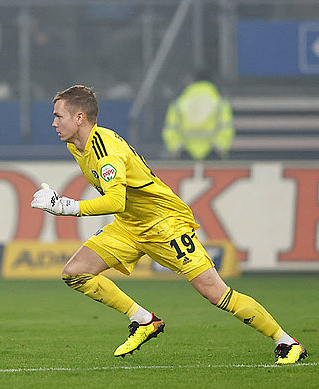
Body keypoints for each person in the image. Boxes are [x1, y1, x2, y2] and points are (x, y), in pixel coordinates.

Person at [30, 85, 305, 364]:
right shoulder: (77, 145)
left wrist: (67, 207)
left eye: (58, 116)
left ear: (79, 118)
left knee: (214, 291)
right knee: (76, 272)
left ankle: (287, 342)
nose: (53, 123)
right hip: (130, 225)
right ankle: (143, 320)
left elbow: (115, 201)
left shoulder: (105, 149)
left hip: (165, 224)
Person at [162, 70, 234, 160]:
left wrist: (178, 149)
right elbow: (226, 129)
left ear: (192, 81)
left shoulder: (178, 104)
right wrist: (217, 149)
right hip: (213, 157)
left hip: (184, 157)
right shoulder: (220, 104)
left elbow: (171, 129)